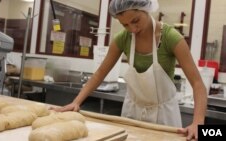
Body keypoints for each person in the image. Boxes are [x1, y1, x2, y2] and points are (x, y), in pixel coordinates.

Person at [50, 0, 207, 140]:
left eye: (135, 21)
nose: (132, 29)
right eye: (125, 24)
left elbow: (197, 83)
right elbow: (99, 74)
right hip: (132, 113)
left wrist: (198, 123)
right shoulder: (122, 39)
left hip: (163, 115)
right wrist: (76, 102)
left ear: (145, 8)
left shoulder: (171, 38)